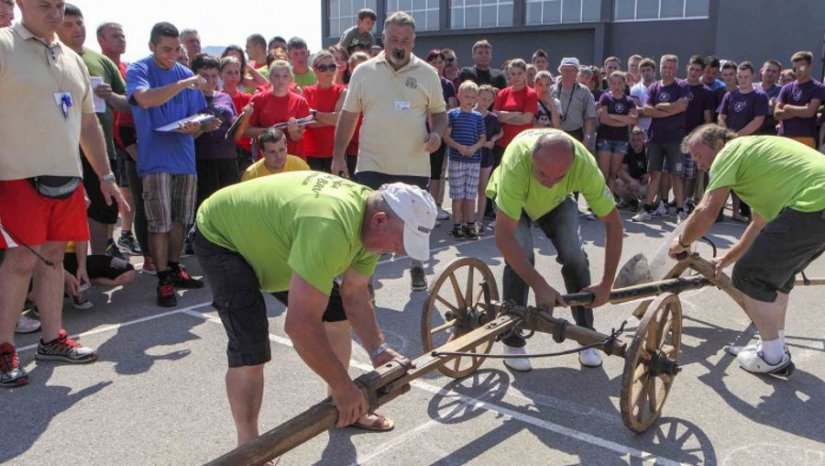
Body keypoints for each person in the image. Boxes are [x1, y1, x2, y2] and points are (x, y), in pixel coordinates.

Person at [194, 172, 435, 446]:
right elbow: (300, 326)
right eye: (400, 243)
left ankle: (344, 406)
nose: (401, 252)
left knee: (336, 313)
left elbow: (354, 294)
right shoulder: (331, 227)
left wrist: (379, 351)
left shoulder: (371, 219)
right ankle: (248, 446)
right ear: (380, 221)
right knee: (250, 350)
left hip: (279, 236)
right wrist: (347, 386)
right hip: (224, 237)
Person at [0, 0, 127, 387]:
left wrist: (105, 175)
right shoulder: (4, 45)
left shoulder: (73, 60)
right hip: (16, 176)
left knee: (54, 257)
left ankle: (52, 339)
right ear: (21, 4)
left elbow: (89, 124)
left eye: (59, 4)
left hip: (67, 176)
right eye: (44, 5)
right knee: (21, 261)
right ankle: (4, 348)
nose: (54, 12)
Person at [674, 124, 825, 375]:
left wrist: (682, 243)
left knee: (750, 276)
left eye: (699, 155)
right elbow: (758, 224)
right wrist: (727, 258)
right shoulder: (755, 161)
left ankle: (772, 356)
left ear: (719, 145)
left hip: (813, 200)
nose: (698, 163)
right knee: (778, 279)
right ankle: (774, 345)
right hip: (816, 202)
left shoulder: (730, 153)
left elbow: (706, 211)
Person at [487, 129, 623, 371]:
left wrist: (606, 284)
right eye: (542, 174)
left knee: (575, 257)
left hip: (557, 203)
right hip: (517, 201)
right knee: (521, 256)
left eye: (559, 177)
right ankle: (512, 338)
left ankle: (586, 335)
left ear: (572, 165)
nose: (549, 182)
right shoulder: (516, 162)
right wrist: (540, 285)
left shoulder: (586, 166)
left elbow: (613, 223)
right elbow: (503, 237)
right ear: (532, 160)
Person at [332, 12, 447, 292]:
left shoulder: (428, 74)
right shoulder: (363, 72)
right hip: (372, 162)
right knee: (370, 225)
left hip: (414, 164)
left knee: (416, 220)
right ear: (383, 38)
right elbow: (348, 117)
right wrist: (337, 156)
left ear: (413, 41)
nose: (399, 45)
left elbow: (440, 114)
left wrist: (436, 134)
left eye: (405, 40)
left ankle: (417, 266)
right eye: (394, 39)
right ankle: (365, 282)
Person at [126, 22, 210, 307]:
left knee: (181, 219)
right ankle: (162, 277)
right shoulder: (140, 70)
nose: (172, 55)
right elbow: (145, 99)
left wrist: (195, 128)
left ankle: (174, 268)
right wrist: (184, 83)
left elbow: (199, 118)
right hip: (155, 160)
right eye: (166, 49)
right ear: (151, 47)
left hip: (185, 159)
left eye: (176, 49)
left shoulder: (184, 74)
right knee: (159, 222)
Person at [58, 4, 131, 259]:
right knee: (69, 208)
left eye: (79, 22)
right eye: (68, 24)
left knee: (104, 206)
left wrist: (111, 96)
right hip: (63, 149)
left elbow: (127, 100)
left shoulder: (100, 61)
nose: (77, 28)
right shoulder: (52, 56)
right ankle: (70, 266)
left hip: (101, 147)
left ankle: (97, 261)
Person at [633, 54, 691, 223]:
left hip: (675, 139)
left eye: (670, 68)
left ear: (676, 68)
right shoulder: (654, 87)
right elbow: (647, 110)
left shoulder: (682, 85)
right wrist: (672, 109)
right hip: (655, 138)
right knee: (654, 175)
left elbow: (683, 106)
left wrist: (662, 107)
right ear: (660, 67)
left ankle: (680, 212)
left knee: (676, 176)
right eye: (664, 67)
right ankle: (647, 210)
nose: (667, 71)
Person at [717, 62, 770, 222]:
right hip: (729, 143)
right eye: (740, 77)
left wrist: (737, 135)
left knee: (744, 180)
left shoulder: (760, 96)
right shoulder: (730, 95)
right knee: (725, 177)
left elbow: (758, 121)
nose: (742, 80)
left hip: (749, 145)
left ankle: (738, 212)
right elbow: (721, 116)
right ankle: (718, 211)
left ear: (753, 76)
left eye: (746, 77)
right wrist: (727, 134)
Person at [190, 54, 245, 207]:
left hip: (228, 158)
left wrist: (243, 119)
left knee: (230, 205)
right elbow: (183, 134)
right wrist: (202, 128)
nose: (210, 80)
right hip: (203, 160)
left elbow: (236, 131)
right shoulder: (189, 98)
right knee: (206, 205)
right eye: (204, 75)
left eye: (214, 75)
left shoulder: (225, 97)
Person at [239, 60, 311, 157]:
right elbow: (246, 131)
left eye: (285, 76)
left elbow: (297, 137)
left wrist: (293, 132)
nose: (281, 80)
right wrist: (271, 132)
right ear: (270, 78)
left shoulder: (300, 101)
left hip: (293, 157)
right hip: (266, 159)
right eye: (276, 76)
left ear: (291, 79)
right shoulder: (257, 99)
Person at [444, 81, 486, 239]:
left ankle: (470, 224)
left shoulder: (478, 117)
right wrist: (459, 147)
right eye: (466, 96)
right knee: (458, 195)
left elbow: (483, 138)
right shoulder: (452, 114)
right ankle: (457, 225)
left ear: (476, 99)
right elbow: (446, 136)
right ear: (459, 96)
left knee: (470, 195)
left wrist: (474, 147)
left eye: (473, 97)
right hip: (456, 159)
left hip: (474, 160)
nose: (469, 100)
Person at [425, 49, 458, 222]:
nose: (438, 65)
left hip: (440, 132)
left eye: (440, 62)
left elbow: (451, 107)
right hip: (422, 132)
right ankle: (421, 208)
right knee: (423, 171)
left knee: (436, 171)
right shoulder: (421, 81)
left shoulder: (447, 84)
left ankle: (434, 207)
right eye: (434, 62)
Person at [302, 50, 346, 172]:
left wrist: (315, 114)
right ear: (315, 69)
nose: (328, 71)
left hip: (334, 153)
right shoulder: (305, 92)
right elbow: (306, 122)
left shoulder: (342, 92)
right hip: (310, 152)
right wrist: (331, 120)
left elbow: (340, 119)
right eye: (323, 67)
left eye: (332, 67)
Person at [596, 71, 638, 195]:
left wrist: (612, 116)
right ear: (609, 83)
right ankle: (597, 199)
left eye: (619, 83)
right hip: (605, 138)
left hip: (621, 139)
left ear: (624, 83)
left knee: (613, 173)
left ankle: (609, 200)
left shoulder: (629, 101)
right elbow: (603, 119)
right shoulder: (605, 98)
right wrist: (623, 120)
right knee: (603, 172)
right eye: (613, 83)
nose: (616, 86)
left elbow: (633, 119)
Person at [774, 51, 824, 149]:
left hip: (805, 137)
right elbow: (777, 114)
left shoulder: (818, 87)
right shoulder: (786, 88)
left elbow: (809, 112)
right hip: (784, 137)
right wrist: (801, 110)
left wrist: (787, 107)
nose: (797, 71)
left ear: (810, 67)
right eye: (794, 68)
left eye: (801, 67)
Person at [494, 59, 538, 165]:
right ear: (509, 75)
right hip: (502, 144)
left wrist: (504, 117)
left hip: (523, 144)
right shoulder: (502, 93)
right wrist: (515, 114)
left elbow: (526, 119)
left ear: (525, 74)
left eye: (519, 73)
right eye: (513, 73)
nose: (516, 76)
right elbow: (495, 116)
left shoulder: (531, 94)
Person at [218, 56, 254, 172]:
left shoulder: (247, 98)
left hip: (244, 150)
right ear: (220, 75)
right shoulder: (215, 98)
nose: (233, 76)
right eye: (229, 72)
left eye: (236, 72)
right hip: (222, 150)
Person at [475, 84, 503, 233]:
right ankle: (466, 219)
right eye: (482, 98)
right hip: (469, 156)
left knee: (482, 189)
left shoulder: (492, 118)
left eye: (488, 100)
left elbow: (500, 132)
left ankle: (478, 220)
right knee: (467, 190)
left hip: (486, 158)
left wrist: (493, 139)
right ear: (477, 97)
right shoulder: (470, 114)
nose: (485, 102)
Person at [551, 57, 596, 146]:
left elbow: (589, 117)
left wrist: (586, 138)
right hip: (554, 134)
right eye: (565, 70)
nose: (568, 73)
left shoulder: (584, 91)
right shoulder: (552, 89)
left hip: (576, 134)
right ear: (561, 71)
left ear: (577, 72)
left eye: (572, 70)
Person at [241, 128, 310, 181]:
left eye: (281, 150)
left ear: (286, 147)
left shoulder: (299, 166)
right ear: (262, 153)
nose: (278, 156)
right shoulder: (251, 175)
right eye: (272, 152)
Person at [615, 126, 649, 208]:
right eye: (633, 140)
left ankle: (648, 202)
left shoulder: (649, 149)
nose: (636, 143)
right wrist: (631, 180)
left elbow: (657, 170)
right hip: (631, 183)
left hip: (645, 184)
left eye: (639, 140)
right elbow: (621, 171)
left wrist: (649, 174)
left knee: (657, 181)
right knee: (617, 183)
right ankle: (630, 201)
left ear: (644, 139)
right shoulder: (626, 150)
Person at [630, 57, 656, 137]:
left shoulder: (661, 87)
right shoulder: (634, 89)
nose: (646, 73)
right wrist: (657, 111)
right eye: (643, 71)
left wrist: (644, 110)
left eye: (648, 70)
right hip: (640, 130)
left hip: (657, 129)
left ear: (654, 71)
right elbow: (635, 111)